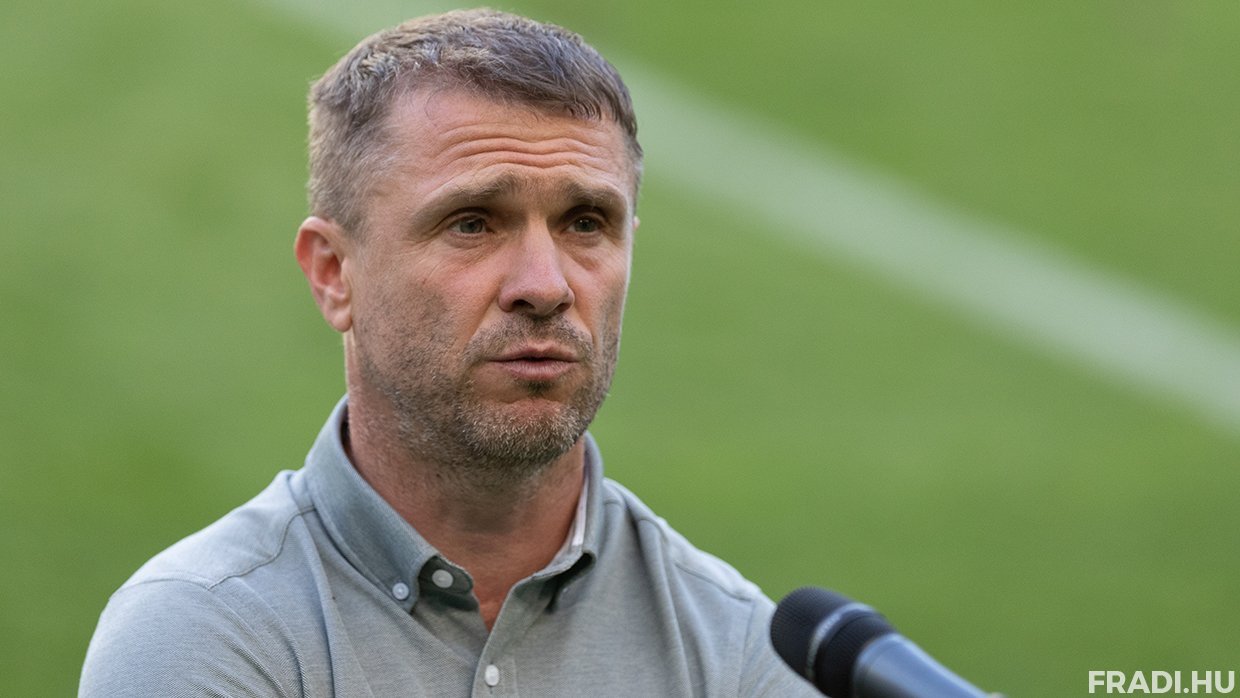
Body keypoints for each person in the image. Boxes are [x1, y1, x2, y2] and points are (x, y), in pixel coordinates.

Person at [80, 10, 817, 696]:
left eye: (586, 222)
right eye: (472, 223)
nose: (545, 286)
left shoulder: (738, 650)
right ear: (334, 273)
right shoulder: (202, 635)